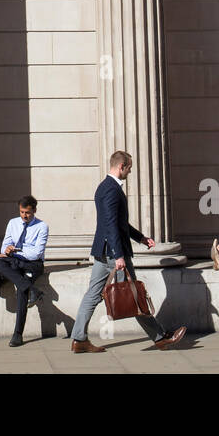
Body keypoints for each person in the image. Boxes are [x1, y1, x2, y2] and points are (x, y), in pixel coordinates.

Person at [70, 150, 186, 353]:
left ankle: (79, 339)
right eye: (129, 168)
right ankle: (160, 338)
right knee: (135, 295)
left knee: (92, 296)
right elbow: (111, 225)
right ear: (121, 166)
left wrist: (140, 238)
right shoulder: (112, 190)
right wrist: (119, 256)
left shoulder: (105, 187)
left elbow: (119, 223)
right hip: (113, 254)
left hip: (103, 252)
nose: (130, 172)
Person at [0, 195, 49, 347]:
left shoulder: (42, 227)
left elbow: (36, 253)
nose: (24, 216)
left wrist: (16, 252)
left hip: (32, 264)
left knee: (22, 291)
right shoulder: (13, 223)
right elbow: (5, 246)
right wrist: (7, 249)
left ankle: (18, 334)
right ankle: (33, 290)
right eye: (22, 212)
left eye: (27, 212)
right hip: (16, 260)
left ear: (34, 210)